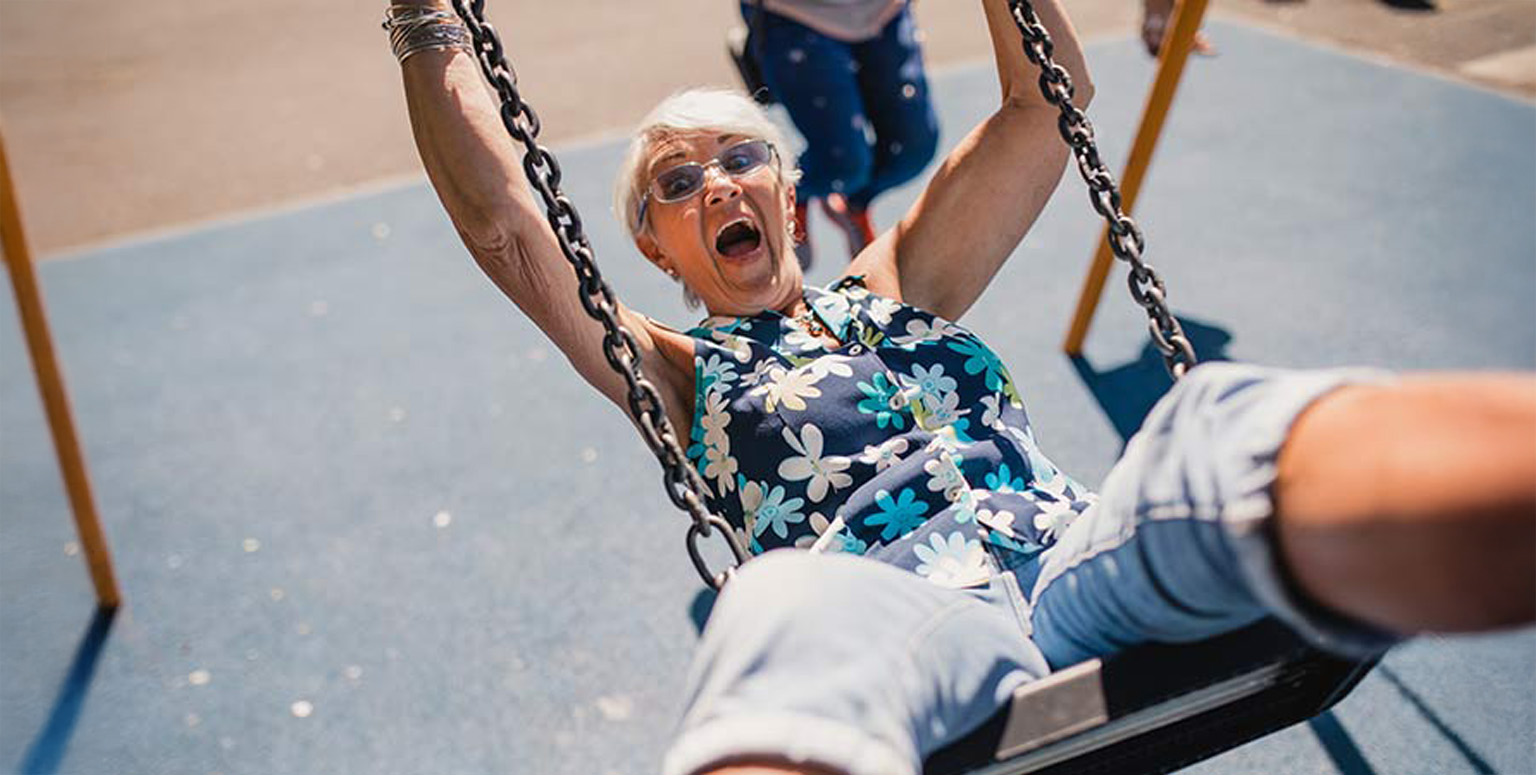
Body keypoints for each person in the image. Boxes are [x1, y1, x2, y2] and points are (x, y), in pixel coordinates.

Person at [385, 2, 1536, 774]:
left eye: (741, 158)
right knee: (778, 609)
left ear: (789, 200)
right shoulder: (679, 373)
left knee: (1208, 423)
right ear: (656, 250)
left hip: (1079, 563)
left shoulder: (901, 282)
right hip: (905, 620)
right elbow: (505, 229)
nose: (716, 185)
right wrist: (427, 21)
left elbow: (1049, 101)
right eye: (676, 182)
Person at [737, 0, 940, 266]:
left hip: (884, 11)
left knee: (914, 149)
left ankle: (852, 203)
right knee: (842, 166)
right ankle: (795, 192)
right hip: (795, 15)